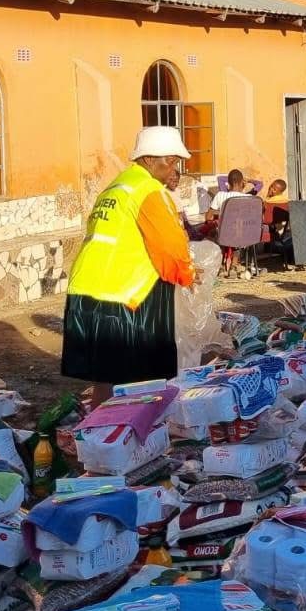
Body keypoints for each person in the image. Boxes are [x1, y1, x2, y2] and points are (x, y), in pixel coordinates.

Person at [61, 126, 196, 403]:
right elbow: (171, 246)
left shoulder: (117, 187)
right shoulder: (148, 190)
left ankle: (101, 427)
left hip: (86, 293)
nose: (174, 169)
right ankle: (132, 428)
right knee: (138, 384)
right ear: (148, 159)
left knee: (106, 379)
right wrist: (189, 275)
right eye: (171, 161)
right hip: (126, 299)